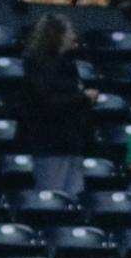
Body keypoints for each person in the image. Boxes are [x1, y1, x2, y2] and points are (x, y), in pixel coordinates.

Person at [15, 15, 94, 198]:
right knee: (51, 196)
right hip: (50, 142)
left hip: (72, 142)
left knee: (73, 196)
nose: (74, 36)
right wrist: (82, 97)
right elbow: (47, 101)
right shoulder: (38, 64)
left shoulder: (67, 64)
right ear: (58, 35)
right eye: (70, 31)